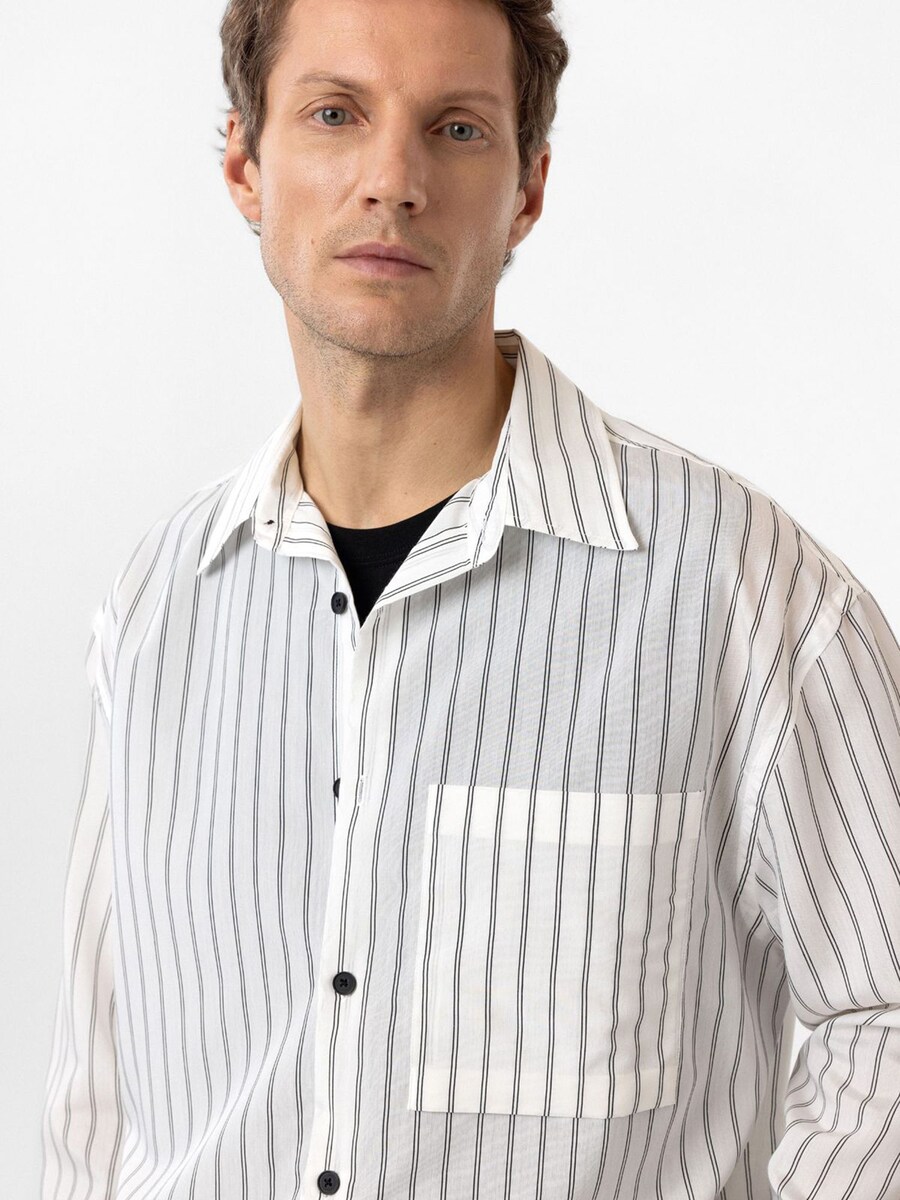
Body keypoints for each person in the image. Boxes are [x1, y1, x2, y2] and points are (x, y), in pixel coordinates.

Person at [41, 0, 900, 1196]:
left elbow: (884, 1019)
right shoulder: (157, 608)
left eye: (455, 128)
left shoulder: (746, 593)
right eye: (335, 114)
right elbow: (101, 1098)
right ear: (244, 163)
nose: (391, 181)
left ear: (528, 189)